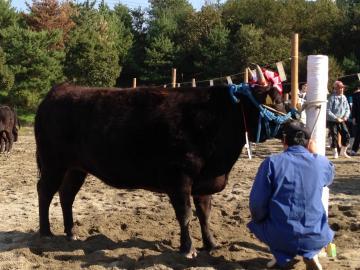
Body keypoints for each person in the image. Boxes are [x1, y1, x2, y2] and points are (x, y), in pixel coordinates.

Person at [248, 120, 334, 270]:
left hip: (281, 235)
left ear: (284, 140)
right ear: (309, 142)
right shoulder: (321, 163)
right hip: (316, 235)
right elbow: (329, 177)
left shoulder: (271, 163)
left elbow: (256, 205)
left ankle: (281, 254)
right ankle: (311, 253)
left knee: (258, 221)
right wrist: (314, 153)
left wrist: (261, 219)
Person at [326, 80, 351, 158]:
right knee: (334, 136)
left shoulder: (344, 97)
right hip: (332, 120)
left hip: (342, 120)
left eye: (342, 88)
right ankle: (335, 152)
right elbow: (328, 110)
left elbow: (347, 108)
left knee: (346, 134)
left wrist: (346, 116)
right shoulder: (332, 98)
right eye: (340, 88)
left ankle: (343, 152)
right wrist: (336, 118)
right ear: (335, 89)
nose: (342, 89)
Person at [350, 84, 360, 156]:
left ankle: (354, 149)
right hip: (359, 117)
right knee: (358, 134)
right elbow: (354, 107)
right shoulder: (356, 95)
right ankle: (354, 149)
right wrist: (353, 117)